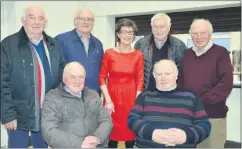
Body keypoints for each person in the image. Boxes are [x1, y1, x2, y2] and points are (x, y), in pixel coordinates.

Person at [1, 6, 65, 148]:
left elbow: (62, 78)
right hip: (18, 113)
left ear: (45, 23)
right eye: (32, 17)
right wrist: (8, 115)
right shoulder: (8, 45)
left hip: (46, 112)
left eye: (40, 18)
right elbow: (2, 82)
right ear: (23, 20)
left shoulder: (54, 45)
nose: (36, 22)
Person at [128, 59, 211, 148]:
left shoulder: (191, 97)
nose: (163, 78)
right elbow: (132, 120)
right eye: (159, 74)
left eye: (167, 74)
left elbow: (204, 125)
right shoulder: (144, 96)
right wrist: (152, 133)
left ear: (176, 75)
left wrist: (186, 136)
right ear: (154, 76)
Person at [181, 18, 233, 148]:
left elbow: (225, 84)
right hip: (190, 116)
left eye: (202, 33)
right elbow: (181, 82)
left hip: (213, 116)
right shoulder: (186, 55)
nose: (199, 37)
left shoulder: (221, 53)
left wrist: (198, 102)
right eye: (195, 33)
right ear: (190, 35)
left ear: (210, 34)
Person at [41, 62, 113, 148]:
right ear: (64, 79)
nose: (77, 81)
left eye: (81, 77)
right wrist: (80, 143)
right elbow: (49, 131)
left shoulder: (93, 94)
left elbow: (107, 121)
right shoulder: (52, 97)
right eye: (73, 77)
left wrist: (97, 138)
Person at [99, 18, 144, 148]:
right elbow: (102, 77)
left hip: (130, 99)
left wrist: (137, 101)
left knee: (130, 132)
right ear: (118, 34)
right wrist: (107, 100)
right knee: (111, 133)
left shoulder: (138, 54)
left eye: (130, 32)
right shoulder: (109, 53)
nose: (127, 35)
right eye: (124, 32)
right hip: (111, 98)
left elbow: (140, 79)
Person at [55, 8, 104, 94]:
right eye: (82, 19)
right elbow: (55, 69)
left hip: (93, 96)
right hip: (69, 95)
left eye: (89, 19)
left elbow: (101, 70)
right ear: (75, 21)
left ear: (93, 22)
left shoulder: (98, 44)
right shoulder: (60, 40)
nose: (86, 22)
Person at [134, 13, 187, 91]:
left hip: (170, 93)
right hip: (147, 92)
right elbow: (136, 71)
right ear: (151, 27)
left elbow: (182, 73)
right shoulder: (140, 44)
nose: (159, 30)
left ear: (169, 27)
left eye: (162, 27)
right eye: (155, 27)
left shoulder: (179, 45)